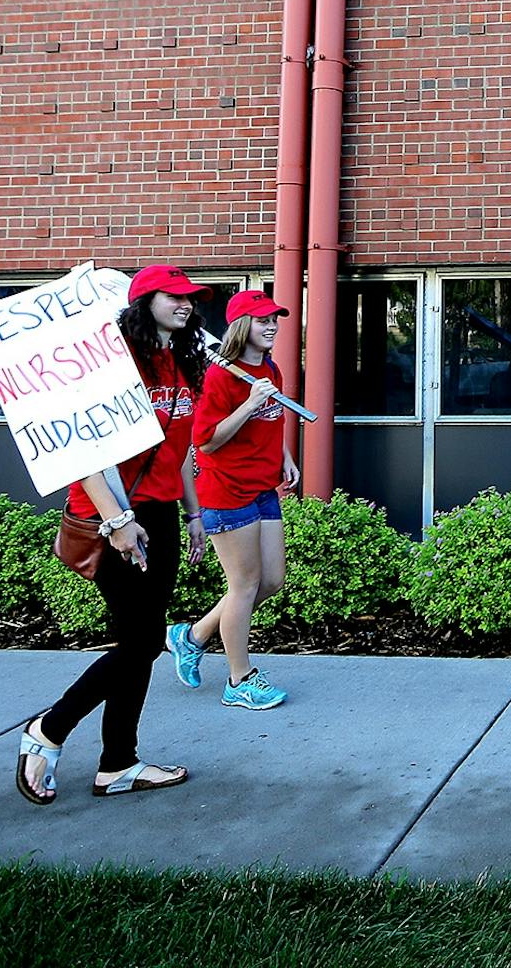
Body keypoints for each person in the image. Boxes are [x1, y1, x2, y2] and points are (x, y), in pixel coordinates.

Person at [17, 265, 209, 803]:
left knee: (141, 644)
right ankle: (49, 729)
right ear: (144, 300)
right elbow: (83, 451)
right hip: (111, 517)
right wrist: (118, 523)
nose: (186, 304)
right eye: (174, 296)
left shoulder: (182, 361)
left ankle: (118, 764)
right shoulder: (113, 361)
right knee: (144, 642)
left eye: (190, 297)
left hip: (161, 512)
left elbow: (180, 453)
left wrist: (193, 515)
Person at [167, 290, 299, 710]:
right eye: (263, 321)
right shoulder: (220, 376)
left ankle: (192, 637)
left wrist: (285, 457)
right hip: (227, 493)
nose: (272, 326)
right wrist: (250, 402)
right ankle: (239, 679)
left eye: (275, 320)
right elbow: (205, 442)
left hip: (262, 487)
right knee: (244, 587)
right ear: (242, 326)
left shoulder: (270, 369)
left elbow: (270, 421)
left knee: (272, 581)